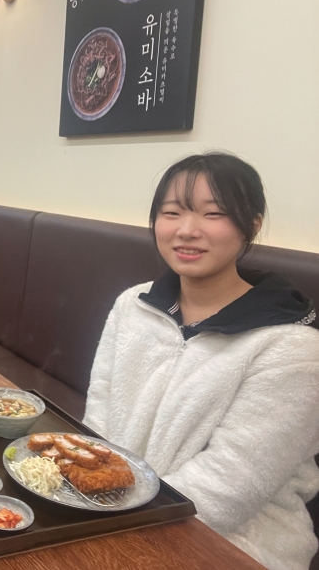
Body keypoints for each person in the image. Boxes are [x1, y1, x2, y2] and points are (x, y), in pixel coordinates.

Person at [84, 153, 319, 570]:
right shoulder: (133, 305)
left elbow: (227, 487)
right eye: (172, 212)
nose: (187, 230)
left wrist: (114, 521)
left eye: (214, 214)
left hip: (235, 543)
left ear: (252, 225)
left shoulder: (292, 347)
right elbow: (98, 415)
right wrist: (83, 492)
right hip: (115, 511)